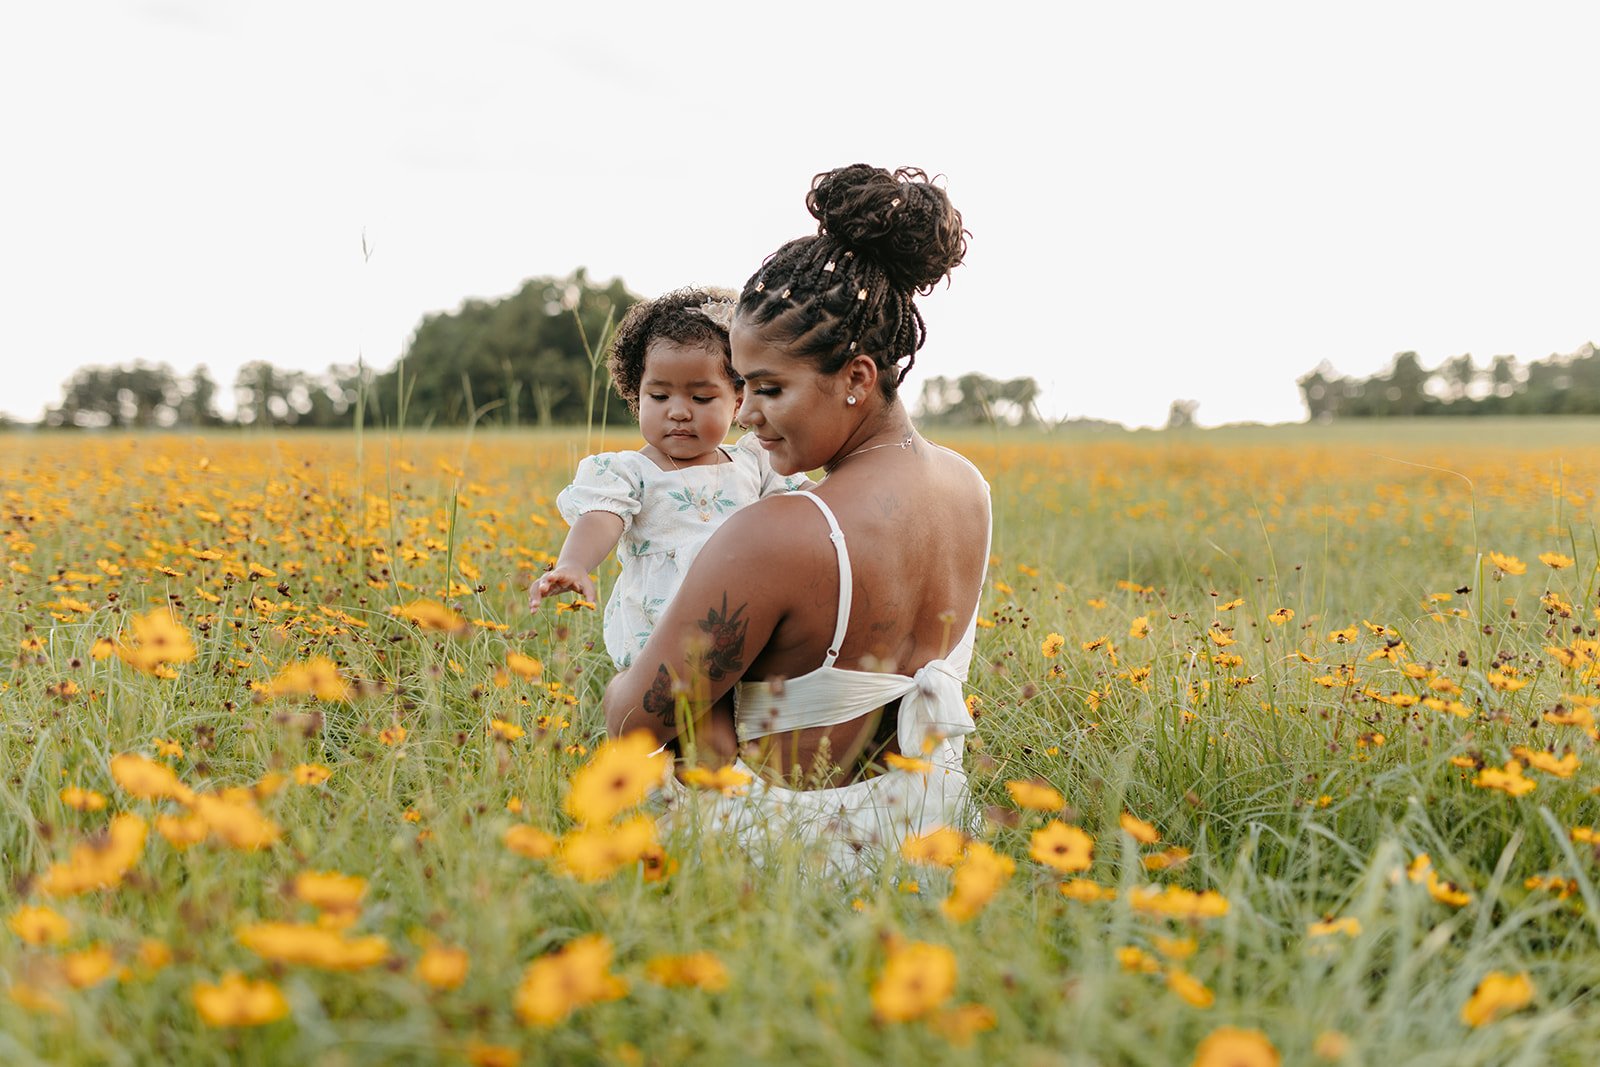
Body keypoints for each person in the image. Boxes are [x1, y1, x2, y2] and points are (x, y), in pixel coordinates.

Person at [601, 164, 989, 872]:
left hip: (784, 865)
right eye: (743, 385)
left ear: (857, 377)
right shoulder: (969, 487)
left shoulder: (778, 532)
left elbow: (636, 717)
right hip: (931, 842)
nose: (745, 414)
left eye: (771, 388)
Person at [531, 287, 809, 669]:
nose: (678, 412)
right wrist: (574, 564)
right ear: (637, 394)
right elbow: (601, 517)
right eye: (659, 397)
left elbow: (808, 503)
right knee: (691, 721)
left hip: (745, 622)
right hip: (664, 636)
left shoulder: (754, 461)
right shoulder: (630, 472)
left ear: (738, 401)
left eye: (701, 399)